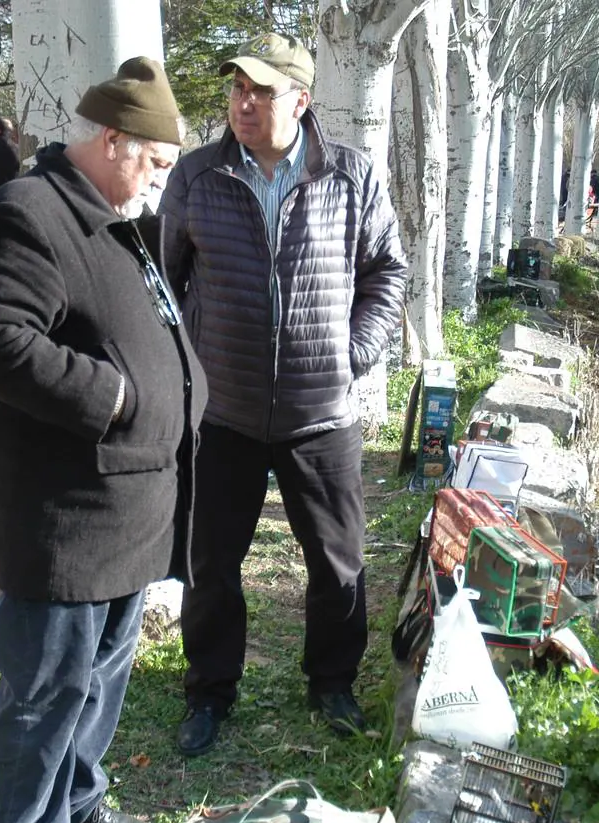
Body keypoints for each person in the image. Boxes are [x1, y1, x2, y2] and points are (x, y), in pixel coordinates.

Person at [0, 58, 204, 823]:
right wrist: (120, 394)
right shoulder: (28, 212)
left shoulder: (114, 212)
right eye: (155, 162)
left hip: (130, 506)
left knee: (101, 681)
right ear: (110, 140)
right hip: (64, 514)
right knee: (45, 698)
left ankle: (80, 802)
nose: (160, 181)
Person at [160, 32, 407, 757]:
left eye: (260, 91)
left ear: (300, 100)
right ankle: (209, 692)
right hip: (224, 413)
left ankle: (330, 685)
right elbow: (166, 283)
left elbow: (386, 273)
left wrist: (352, 353)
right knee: (210, 564)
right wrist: (184, 371)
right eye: (236, 88)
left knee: (337, 563)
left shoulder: (351, 176)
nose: (243, 102)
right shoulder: (197, 176)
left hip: (320, 413)